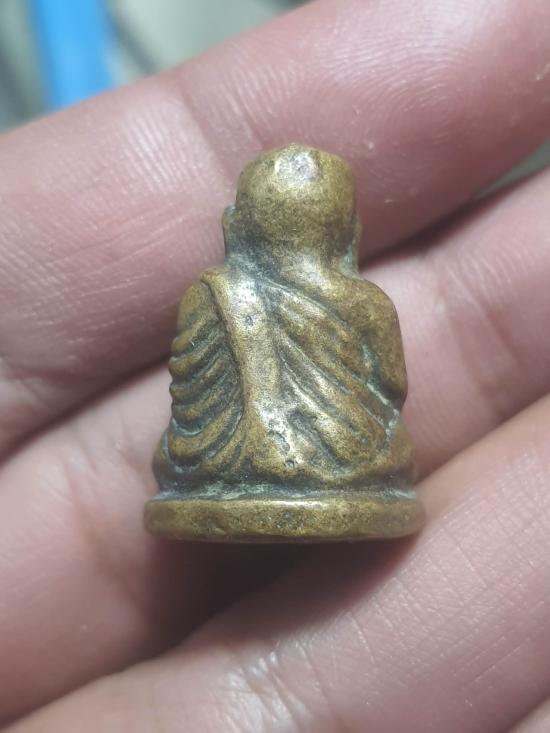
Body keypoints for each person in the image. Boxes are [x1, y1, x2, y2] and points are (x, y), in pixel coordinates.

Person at [1, 0, 550, 730]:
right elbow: (390, 387)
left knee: (184, 449)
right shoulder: (363, 301)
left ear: (242, 225)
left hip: (215, 467)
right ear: (345, 230)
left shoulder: (214, 293)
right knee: (385, 446)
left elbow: (191, 394)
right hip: (351, 470)